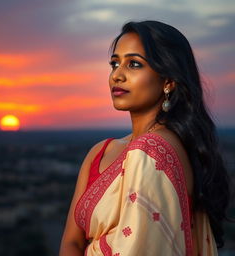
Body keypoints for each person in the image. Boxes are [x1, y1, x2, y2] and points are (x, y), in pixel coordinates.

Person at [59, 21, 230, 256]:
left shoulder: (154, 151)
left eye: (134, 64)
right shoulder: (101, 151)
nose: (117, 75)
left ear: (168, 81)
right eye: (115, 63)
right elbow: (71, 242)